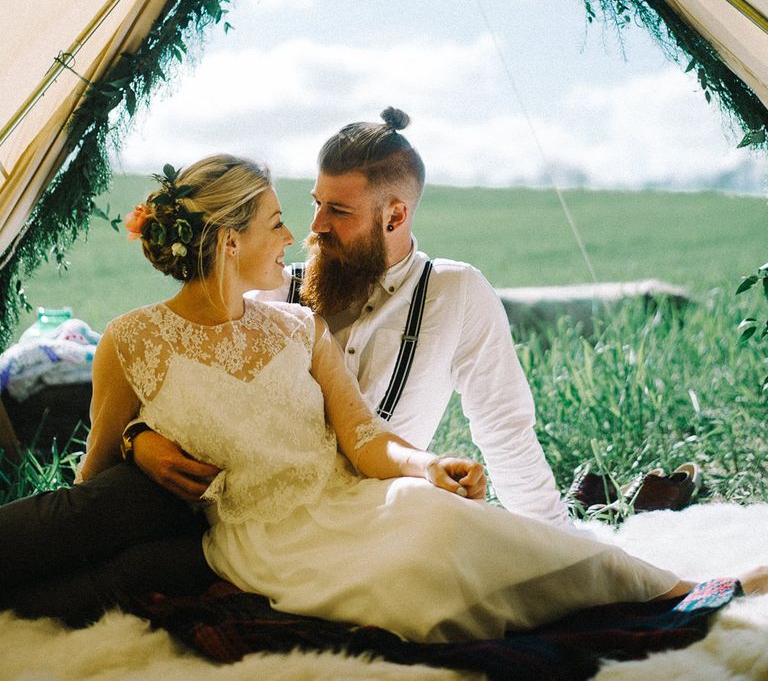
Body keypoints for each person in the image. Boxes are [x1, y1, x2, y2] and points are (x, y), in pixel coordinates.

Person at [2, 154, 765, 638]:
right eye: (277, 223)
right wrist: (138, 440)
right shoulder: (131, 341)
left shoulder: (299, 326)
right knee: (409, 575)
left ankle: (674, 589)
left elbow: (365, 438)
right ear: (227, 241)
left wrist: (425, 466)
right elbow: (95, 475)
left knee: (436, 519)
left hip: (347, 500)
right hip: (255, 535)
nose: (294, 236)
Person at [132, 107, 569, 528]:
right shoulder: (272, 286)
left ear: (395, 216)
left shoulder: (457, 294)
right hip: (266, 520)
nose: (316, 225)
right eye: (316, 202)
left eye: (338, 211)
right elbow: (187, 379)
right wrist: (137, 438)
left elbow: (506, 432)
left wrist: (558, 541)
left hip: (386, 514)